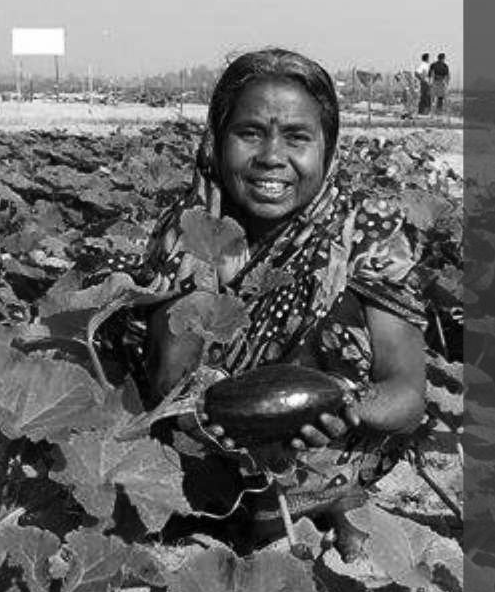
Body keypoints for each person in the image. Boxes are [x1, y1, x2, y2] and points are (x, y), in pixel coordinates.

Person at [133, 48, 428, 555]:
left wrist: (343, 400)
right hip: (207, 447)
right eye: (250, 133)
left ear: (328, 150)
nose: (272, 156)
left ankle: (325, 500)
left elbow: (408, 394)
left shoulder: (369, 234)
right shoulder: (188, 227)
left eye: (297, 137)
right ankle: (256, 511)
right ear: (217, 141)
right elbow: (170, 384)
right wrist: (208, 266)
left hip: (335, 447)